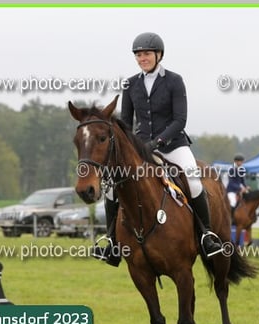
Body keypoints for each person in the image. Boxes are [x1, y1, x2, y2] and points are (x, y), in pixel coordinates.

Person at [93, 32, 223, 267]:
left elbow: (180, 120)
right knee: (112, 187)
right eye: (138, 55)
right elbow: (126, 122)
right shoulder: (130, 84)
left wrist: (158, 142)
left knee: (193, 181)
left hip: (173, 145)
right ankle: (112, 243)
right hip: (141, 147)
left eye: (146, 54)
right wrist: (130, 146)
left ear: (158, 55)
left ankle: (206, 236)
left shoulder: (174, 80)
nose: (142, 58)